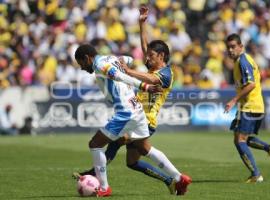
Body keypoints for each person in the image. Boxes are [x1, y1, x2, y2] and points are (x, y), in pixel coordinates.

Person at [74, 5, 192, 196]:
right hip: (138, 112)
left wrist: (128, 73)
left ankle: (99, 180)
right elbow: (144, 49)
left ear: (161, 57)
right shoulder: (153, 66)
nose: (148, 57)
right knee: (135, 158)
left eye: (152, 56)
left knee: (104, 142)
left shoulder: (166, 73)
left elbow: (150, 80)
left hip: (146, 117)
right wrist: (142, 24)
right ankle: (178, 178)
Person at [224, 33, 270, 183]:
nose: (230, 50)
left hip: (250, 105)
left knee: (239, 140)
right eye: (228, 47)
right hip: (251, 105)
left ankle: (256, 174)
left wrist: (234, 100)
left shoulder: (243, 61)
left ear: (241, 47)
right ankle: (269, 148)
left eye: (233, 47)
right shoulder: (239, 62)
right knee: (244, 139)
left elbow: (251, 84)